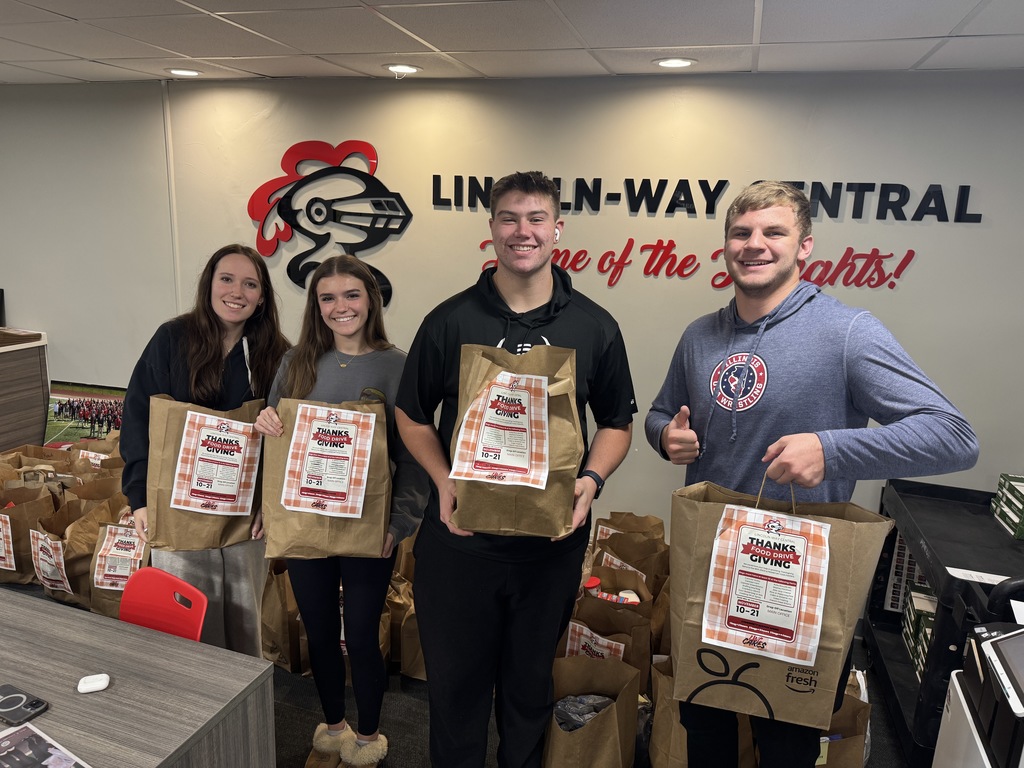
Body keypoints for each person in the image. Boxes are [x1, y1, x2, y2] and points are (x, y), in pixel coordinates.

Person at [645, 180, 980, 768]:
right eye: (741, 233)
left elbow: (953, 436)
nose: (755, 245)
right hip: (709, 566)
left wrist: (832, 449)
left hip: (796, 579)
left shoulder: (848, 332)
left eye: (774, 232)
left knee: (786, 742)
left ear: (806, 248)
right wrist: (664, 435)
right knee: (704, 725)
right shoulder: (699, 335)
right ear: (726, 245)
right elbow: (658, 412)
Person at [395, 170, 637, 768]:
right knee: (455, 694)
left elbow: (616, 422)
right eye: (509, 218)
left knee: (529, 694)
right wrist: (445, 482)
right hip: (459, 545)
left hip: (548, 549)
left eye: (535, 219)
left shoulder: (594, 325)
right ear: (492, 229)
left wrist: (591, 481)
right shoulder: (449, 320)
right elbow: (412, 413)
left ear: (557, 229)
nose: (522, 231)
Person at [254, 255, 428, 768]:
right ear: (316, 306)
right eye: (327, 298)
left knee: (363, 634)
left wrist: (398, 525)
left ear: (371, 299)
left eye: (351, 295)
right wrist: (266, 421)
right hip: (305, 523)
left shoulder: (398, 366)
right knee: (320, 631)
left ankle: (369, 736)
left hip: (369, 532)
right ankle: (333, 725)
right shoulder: (297, 362)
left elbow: (413, 460)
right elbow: (277, 444)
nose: (339, 307)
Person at [120, 243, 290, 657]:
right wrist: (140, 496)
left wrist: (272, 505)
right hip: (178, 510)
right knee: (183, 624)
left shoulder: (279, 354)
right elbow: (140, 415)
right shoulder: (172, 339)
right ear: (209, 284)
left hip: (245, 519)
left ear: (262, 296)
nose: (237, 292)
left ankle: (240, 714)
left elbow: (288, 437)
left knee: (242, 617)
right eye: (227, 279)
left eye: (250, 284)